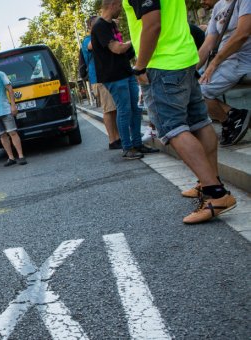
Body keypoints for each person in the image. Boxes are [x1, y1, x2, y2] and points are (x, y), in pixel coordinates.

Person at [123, 0, 237, 224]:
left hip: (162, 63)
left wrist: (140, 66)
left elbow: (152, 24)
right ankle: (208, 182)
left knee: (173, 128)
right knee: (200, 123)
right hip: (184, 57)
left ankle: (215, 194)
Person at [91, 0, 158, 159]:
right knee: (125, 109)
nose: (121, 9)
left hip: (125, 71)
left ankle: (137, 144)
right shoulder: (100, 26)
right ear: (112, 4)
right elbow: (116, 48)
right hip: (113, 75)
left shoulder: (111, 25)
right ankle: (127, 148)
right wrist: (135, 41)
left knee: (135, 109)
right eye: (120, 6)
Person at [197, 0, 250, 146]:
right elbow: (208, 44)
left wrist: (214, 63)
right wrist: (189, 70)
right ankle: (233, 116)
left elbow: (242, 34)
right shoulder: (218, 7)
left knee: (198, 92)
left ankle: (230, 120)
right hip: (225, 61)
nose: (201, 1)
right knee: (191, 88)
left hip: (241, 59)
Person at [81, 15, 121, 149]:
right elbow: (91, 45)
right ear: (91, 26)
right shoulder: (87, 40)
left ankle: (117, 137)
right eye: (98, 23)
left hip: (107, 76)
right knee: (108, 109)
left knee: (113, 108)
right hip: (99, 78)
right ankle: (112, 140)